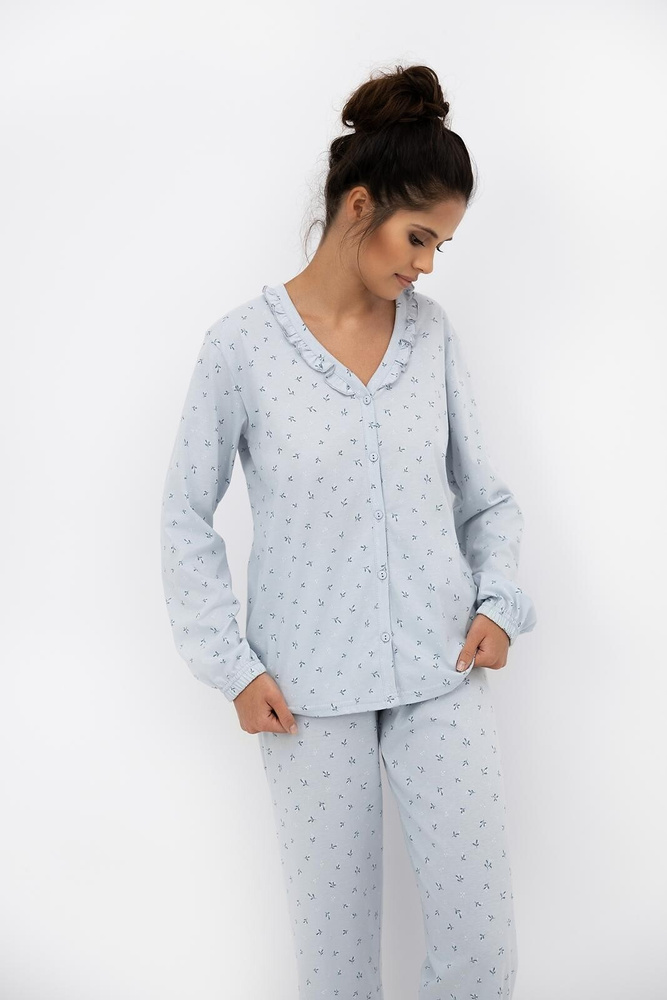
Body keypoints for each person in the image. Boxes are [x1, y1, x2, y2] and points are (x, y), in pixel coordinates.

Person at [160, 63, 537, 999]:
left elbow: (485, 496)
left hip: (442, 670)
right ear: (359, 206)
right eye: (419, 237)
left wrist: (498, 601)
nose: (426, 265)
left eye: (441, 246)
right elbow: (183, 514)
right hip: (305, 693)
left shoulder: (431, 337)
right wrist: (230, 666)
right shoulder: (240, 348)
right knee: (335, 970)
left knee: (480, 951)